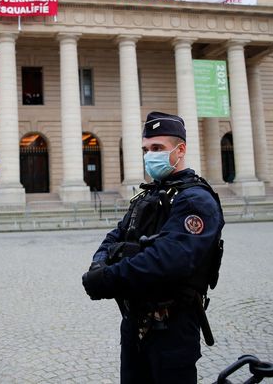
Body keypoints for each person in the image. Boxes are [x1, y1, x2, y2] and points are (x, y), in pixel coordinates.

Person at [82, 111, 224, 384]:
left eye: (157, 148)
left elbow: (169, 260)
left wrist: (108, 278)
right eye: (146, 149)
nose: (150, 156)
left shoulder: (195, 200)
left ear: (180, 150)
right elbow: (115, 235)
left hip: (172, 327)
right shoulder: (149, 194)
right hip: (135, 324)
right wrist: (99, 265)